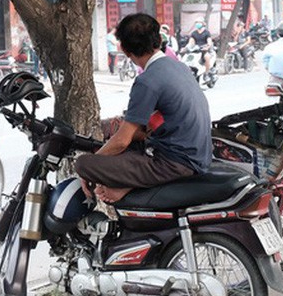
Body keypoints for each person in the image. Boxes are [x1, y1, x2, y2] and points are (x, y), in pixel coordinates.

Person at [75, 13, 212, 203]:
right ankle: (127, 185)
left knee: (84, 163)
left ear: (123, 48)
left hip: (176, 163)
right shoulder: (178, 67)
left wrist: (92, 168)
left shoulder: (147, 81)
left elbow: (121, 141)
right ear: (158, 39)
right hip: (198, 154)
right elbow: (146, 127)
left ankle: (125, 185)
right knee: (127, 146)